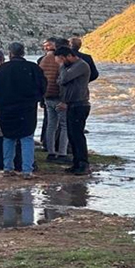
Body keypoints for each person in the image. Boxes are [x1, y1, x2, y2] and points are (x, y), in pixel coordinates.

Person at [0, 42, 47, 180]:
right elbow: (43, 86)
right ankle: (27, 170)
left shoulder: (2, 69)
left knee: (8, 137)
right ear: (23, 53)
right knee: (27, 138)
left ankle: (7, 168)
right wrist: (37, 100)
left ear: (10, 53)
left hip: (6, 108)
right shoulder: (33, 68)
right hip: (27, 108)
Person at [55, 46, 91, 176]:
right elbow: (59, 81)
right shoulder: (70, 67)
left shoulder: (81, 65)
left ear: (69, 56)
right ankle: (76, 163)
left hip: (80, 104)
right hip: (71, 104)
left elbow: (63, 79)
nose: (60, 63)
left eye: (61, 59)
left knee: (78, 135)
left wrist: (62, 66)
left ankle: (83, 164)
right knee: (72, 134)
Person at [39, 43, 69, 164]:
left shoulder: (43, 60)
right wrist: (65, 100)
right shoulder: (60, 62)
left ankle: (50, 152)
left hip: (47, 97)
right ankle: (62, 153)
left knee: (51, 125)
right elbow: (63, 80)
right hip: (58, 96)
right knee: (64, 125)